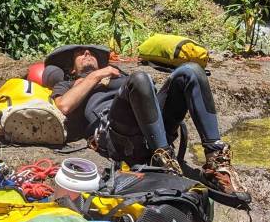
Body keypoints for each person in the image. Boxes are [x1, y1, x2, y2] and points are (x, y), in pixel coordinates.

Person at [43, 44, 248, 200]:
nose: (87, 54)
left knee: (190, 71)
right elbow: (63, 107)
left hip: (153, 125)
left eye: (91, 53)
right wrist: (97, 75)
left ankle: (216, 165)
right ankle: (163, 163)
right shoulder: (68, 84)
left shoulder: (118, 75)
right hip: (118, 134)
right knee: (139, 78)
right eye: (80, 54)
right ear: (71, 69)